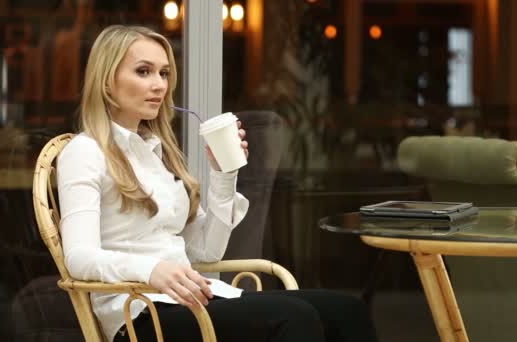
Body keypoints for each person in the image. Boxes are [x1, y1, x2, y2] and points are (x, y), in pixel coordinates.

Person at [57, 24, 378, 342]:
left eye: (164, 73)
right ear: (107, 83)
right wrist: (151, 269)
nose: (159, 85)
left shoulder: (156, 153)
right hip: (140, 314)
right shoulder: (85, 152)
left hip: (191, 300)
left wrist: (224, 174)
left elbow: (207, 250)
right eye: (144, 72)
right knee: (294, 317)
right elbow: (79, 258)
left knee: (348, 310)